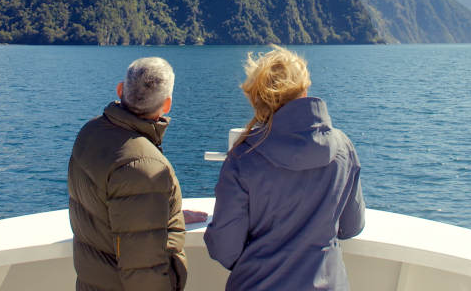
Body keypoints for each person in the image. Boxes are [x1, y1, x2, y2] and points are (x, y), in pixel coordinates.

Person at [204, 46, 365, 290]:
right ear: (305, 89)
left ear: (258, 98)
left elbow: (225, 249)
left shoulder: (244, 156)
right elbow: (352, 226)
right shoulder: (343, 147)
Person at [68, 57, 204, 291]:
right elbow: (144, 273)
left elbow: (116, 209)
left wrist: (166, 215)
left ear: (120, 89)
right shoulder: (144, 167)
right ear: (167, 104)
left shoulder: (90, 133)